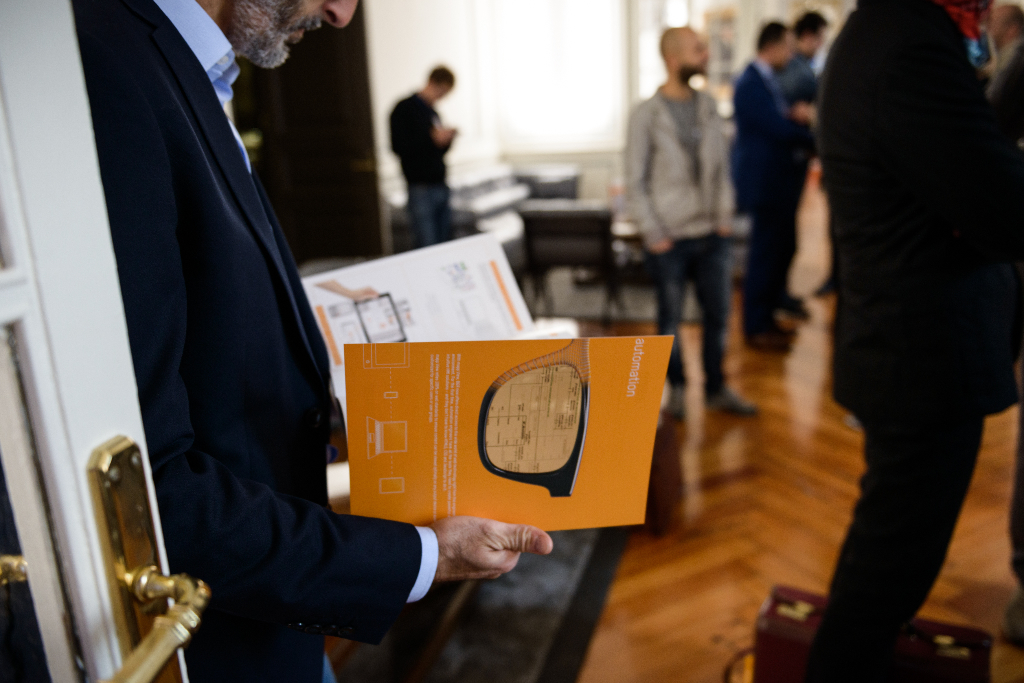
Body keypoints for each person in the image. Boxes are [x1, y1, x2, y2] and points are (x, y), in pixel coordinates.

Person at [72, 1, 553, 681]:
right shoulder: (108, 67)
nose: (342, 14)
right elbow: (149, 488)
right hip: (217, 638)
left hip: (276, 613)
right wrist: (421, 556)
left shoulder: (189, 70)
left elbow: (209, 347)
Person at [807, 0, 1024, 679]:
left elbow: (965, 154)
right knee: (886, 578)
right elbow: (1005, 208)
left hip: (911, 349)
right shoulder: (909, 44)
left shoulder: (893, 30)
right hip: (922, 357)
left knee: (886, 566)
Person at [625, 27, 757, 420]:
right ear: (673, 59)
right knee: (670, 319)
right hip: (670, 238)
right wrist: (653, 232)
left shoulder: (710, 106)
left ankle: (716, 388)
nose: (705, 55)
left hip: (712, 235)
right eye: (698, 50)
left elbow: (723, 169)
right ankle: (678, 389)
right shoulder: (645, 115)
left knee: (718, 316)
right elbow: (635, 179)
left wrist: (724, 218)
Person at [731, 23, 815, 351]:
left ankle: (768, 316)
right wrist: (814, 136)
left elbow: (777, 120)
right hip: (763, 182)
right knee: (764, 256)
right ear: (773, 45)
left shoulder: (765, 79)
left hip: (775, 180)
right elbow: (775, 128)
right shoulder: (750, 82)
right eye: (788, 47)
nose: (791, 55)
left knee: (779, 248)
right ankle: (756, 325)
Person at [390, 67, 459, 249]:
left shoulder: (432, 113)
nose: (441, 97)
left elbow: (436, 152)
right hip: (420, 187)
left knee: (444, 244)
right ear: (431, 82)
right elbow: (399, 147)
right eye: (441, 91)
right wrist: (431, 138)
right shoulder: (404, 109)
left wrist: (446, 140)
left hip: (440, 185)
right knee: (427, 246)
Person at [987, 3, 1024, 140]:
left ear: (1012, 30)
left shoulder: (1016, 55)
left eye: (993, 24)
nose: (988, 30)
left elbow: (994, 104)